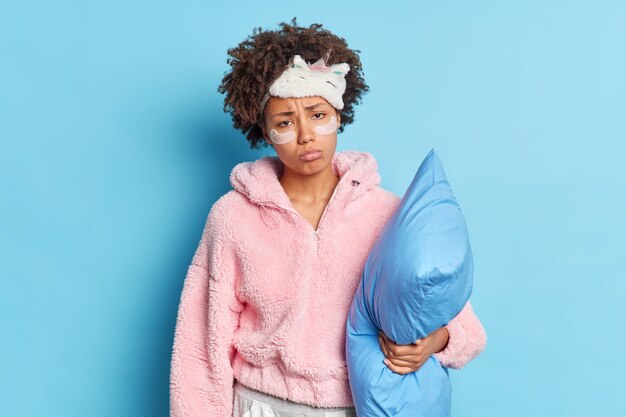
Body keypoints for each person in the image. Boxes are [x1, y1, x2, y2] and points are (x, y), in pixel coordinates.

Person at [169, 18, 487, 417]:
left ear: (339, 114)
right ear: (265, 132)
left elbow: (465, 328)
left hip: (353, 406)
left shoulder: (386, 214)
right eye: (285, 122)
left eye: (318, 115)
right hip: (258, 405)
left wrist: (436, 340)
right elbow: (200, 346)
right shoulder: (232, 217)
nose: (305, 135)